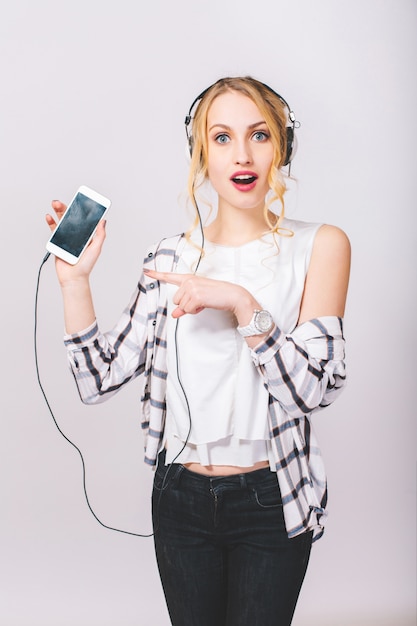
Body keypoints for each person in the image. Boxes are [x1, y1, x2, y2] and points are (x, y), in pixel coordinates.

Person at [46, 76, 350, 626]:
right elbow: (98, 380)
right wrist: (75, 284)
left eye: (259, 135)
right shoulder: (169, 257)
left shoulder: (320, 245)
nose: (243, 154)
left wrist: (239, 302)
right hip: (180, 497)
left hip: (271, 496)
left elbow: (313, 389)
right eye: (223, 137)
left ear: (282, 145)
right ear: (201, 153)